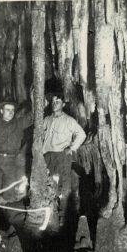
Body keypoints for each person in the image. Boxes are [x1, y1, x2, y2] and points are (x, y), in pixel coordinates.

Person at [43, 92, 86, 226]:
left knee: (64, 185)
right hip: (48, 155)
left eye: (58, 101)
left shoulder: (69, 120)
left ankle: (63, 215)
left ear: (63, 104)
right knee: (49, 183)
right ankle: (51, 212)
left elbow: (82, 134)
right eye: (53, 101)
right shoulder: (47, 119)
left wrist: (72, 148)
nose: (54, 104)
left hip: (62, 155)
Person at [0, 99, 33, 204]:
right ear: (1, 111)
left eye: (12, 110)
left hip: (11, 161)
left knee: (8, 192)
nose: (10, 112)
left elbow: (31, 117)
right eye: (7, 110)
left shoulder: (18, 123)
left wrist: (38, 103)